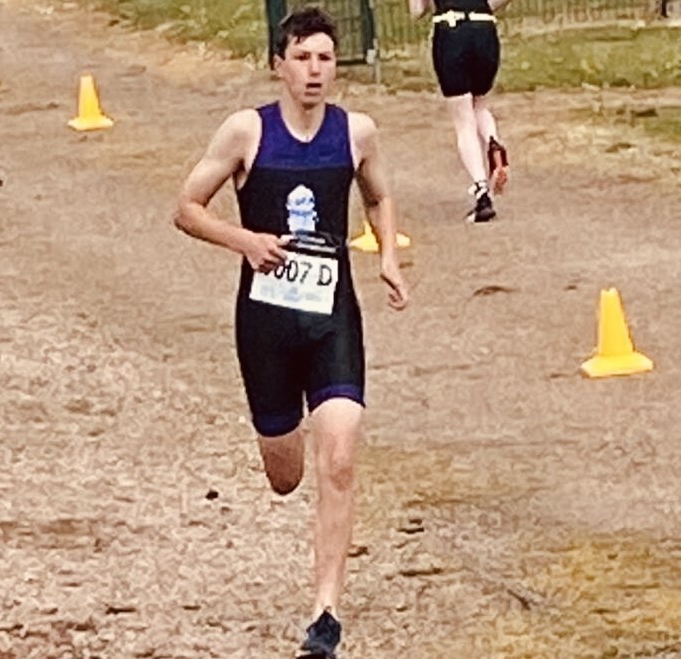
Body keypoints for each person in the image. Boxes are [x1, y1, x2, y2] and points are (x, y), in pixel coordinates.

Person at [173, 6, 409, 659]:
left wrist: (386, 253)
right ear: (279, 65)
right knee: (286, 473)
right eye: (302, 58)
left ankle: (325, 614)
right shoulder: (246, 132)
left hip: (333, 317)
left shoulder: (355, 132)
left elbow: (379, 195)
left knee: (339, 456)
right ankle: (281, 447)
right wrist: (244, 239)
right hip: (266, 325)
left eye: (325, 59)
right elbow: (186, 206)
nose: (314, 71)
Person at [409, 0, 512, 222]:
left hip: (451, 31)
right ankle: (494, 143)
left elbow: (416, 12)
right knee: (480, 104)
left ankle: (481, 191)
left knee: (463, 119)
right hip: (484, 28)